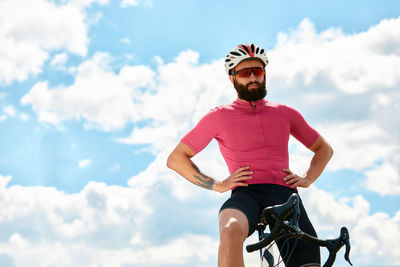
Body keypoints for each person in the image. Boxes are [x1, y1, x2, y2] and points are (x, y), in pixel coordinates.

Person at [167, 43, 333, 267]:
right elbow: (176, 159)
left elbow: (324, 149)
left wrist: (308, 178)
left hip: (285, 196)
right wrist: (217, 185)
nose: (253, 77)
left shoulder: (286, 113)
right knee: (229, 230)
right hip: (246, 194)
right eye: (245, 73)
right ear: (232, 78)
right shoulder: (219, 117)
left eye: (259, 71)